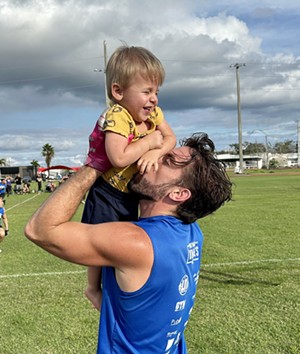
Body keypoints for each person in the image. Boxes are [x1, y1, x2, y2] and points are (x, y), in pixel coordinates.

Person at [24, 132, 232, 353]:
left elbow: (40, 230)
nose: (152, 156)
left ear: (179, 193)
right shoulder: (190, 231)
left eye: (167, 160)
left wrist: (96, 164)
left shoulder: (138, 243)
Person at [82, 45, 176, 309]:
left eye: (156, 91)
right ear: (118, 92)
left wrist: (156, 152)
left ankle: (123, 286)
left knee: (125, 243)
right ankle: (92, 288)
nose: (154, 99)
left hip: (130, 194)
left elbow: (170, 138)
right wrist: (149, 144)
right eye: (146, 91)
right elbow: (118, 158)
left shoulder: (154, 115)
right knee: (99, 243)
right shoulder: (118, 116)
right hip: (108, 194)